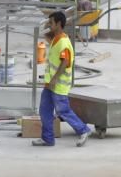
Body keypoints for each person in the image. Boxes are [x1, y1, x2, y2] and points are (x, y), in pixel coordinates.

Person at [33, 11, 90, 148]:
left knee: (62, 111)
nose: (49, 25)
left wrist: (54, 79)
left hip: (58, 85)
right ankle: (47, 139)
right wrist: (47, 26)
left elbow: (65, 62)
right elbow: (46, 35)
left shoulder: (63, 42)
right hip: (50, 84)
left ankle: (83, 130)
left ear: (59, 24)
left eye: (51, 23)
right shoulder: (56, 39)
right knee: (44, 110)